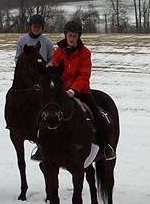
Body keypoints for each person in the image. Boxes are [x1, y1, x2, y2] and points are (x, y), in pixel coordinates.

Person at [49, 20, 115, 160]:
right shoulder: (59, 51)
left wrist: (73, 90)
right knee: (45, 114)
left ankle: (105, 147)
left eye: (75, 35)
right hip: (61, 93)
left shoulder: (85, 53)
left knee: (98, 116)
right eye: (70, 35)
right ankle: (42, 148)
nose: (72, 38)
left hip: (82, 92)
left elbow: (84, 75)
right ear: (66, 35)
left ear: (79, 36)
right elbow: (53, 69)